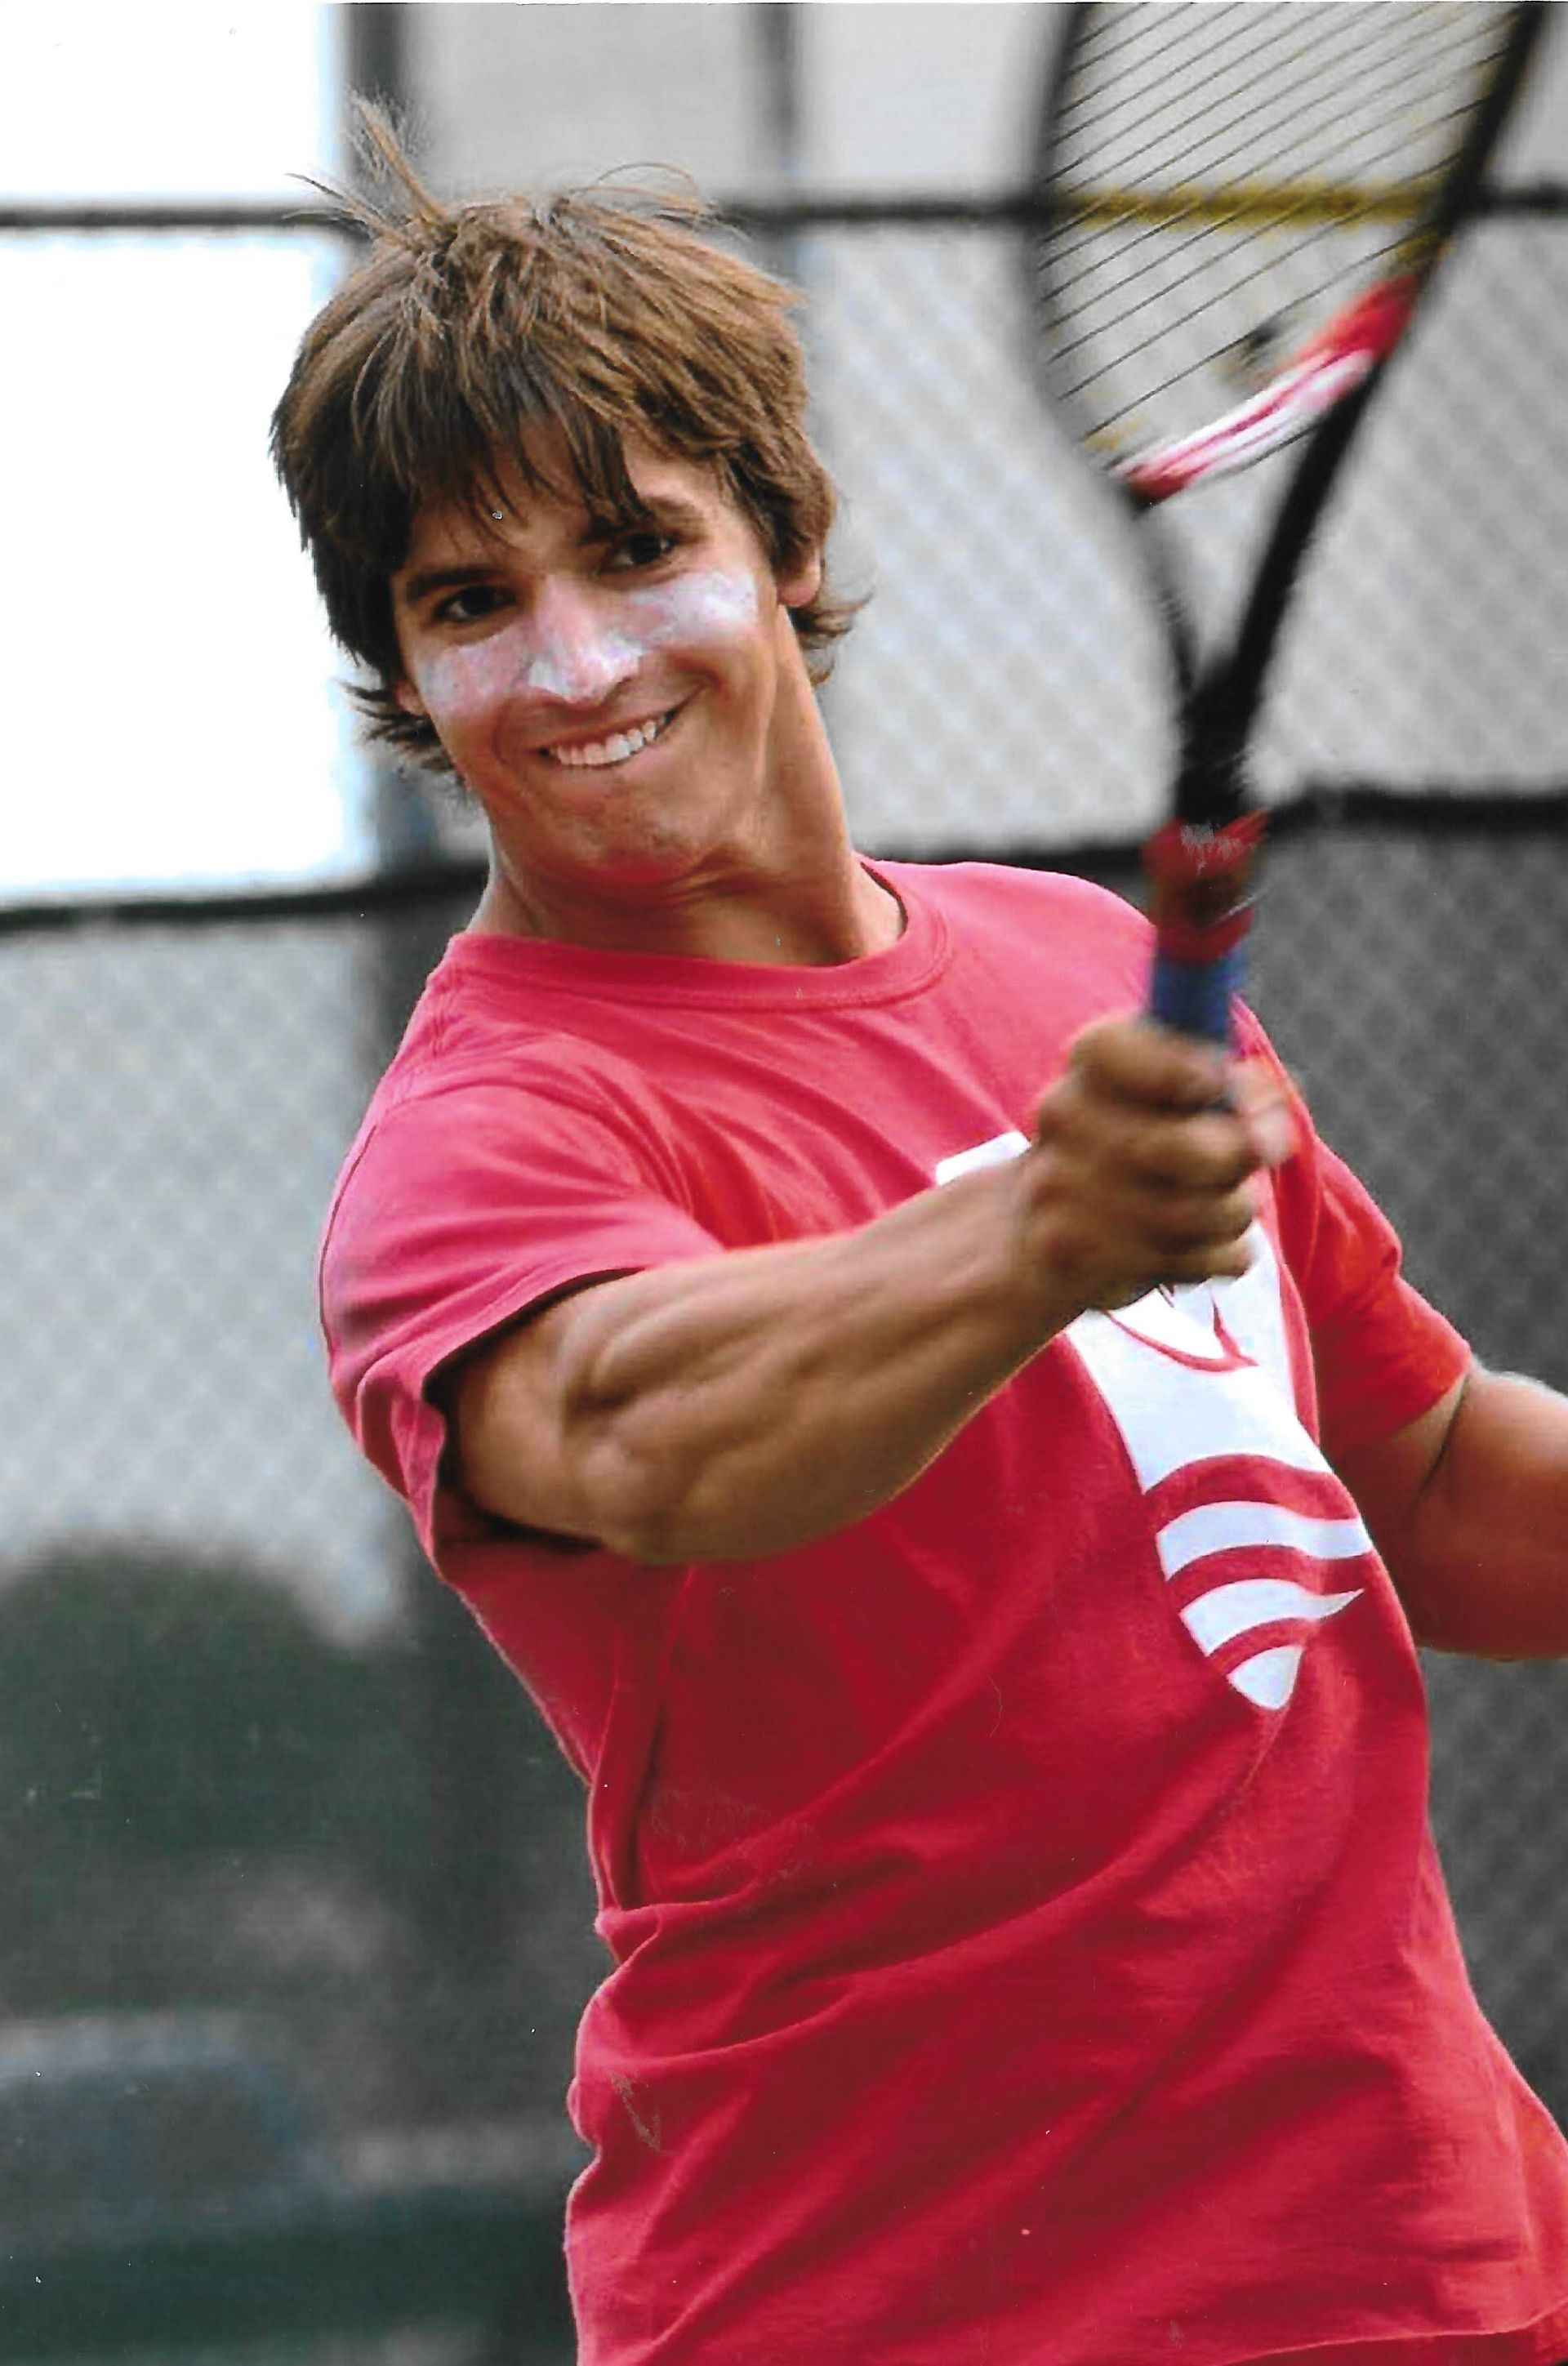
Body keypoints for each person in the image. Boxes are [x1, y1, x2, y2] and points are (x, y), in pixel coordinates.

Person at [273, 114, 1568, 2366]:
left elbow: (1434, 1479)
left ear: (785, 544)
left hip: (1421, 2255)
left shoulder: (1082, 964)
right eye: (469, 604)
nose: (572, 664)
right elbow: (650, 1431)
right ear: (403, 676)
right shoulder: (483, 1139)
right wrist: (1038, 1237)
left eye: (634, 550)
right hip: (893, 2302)